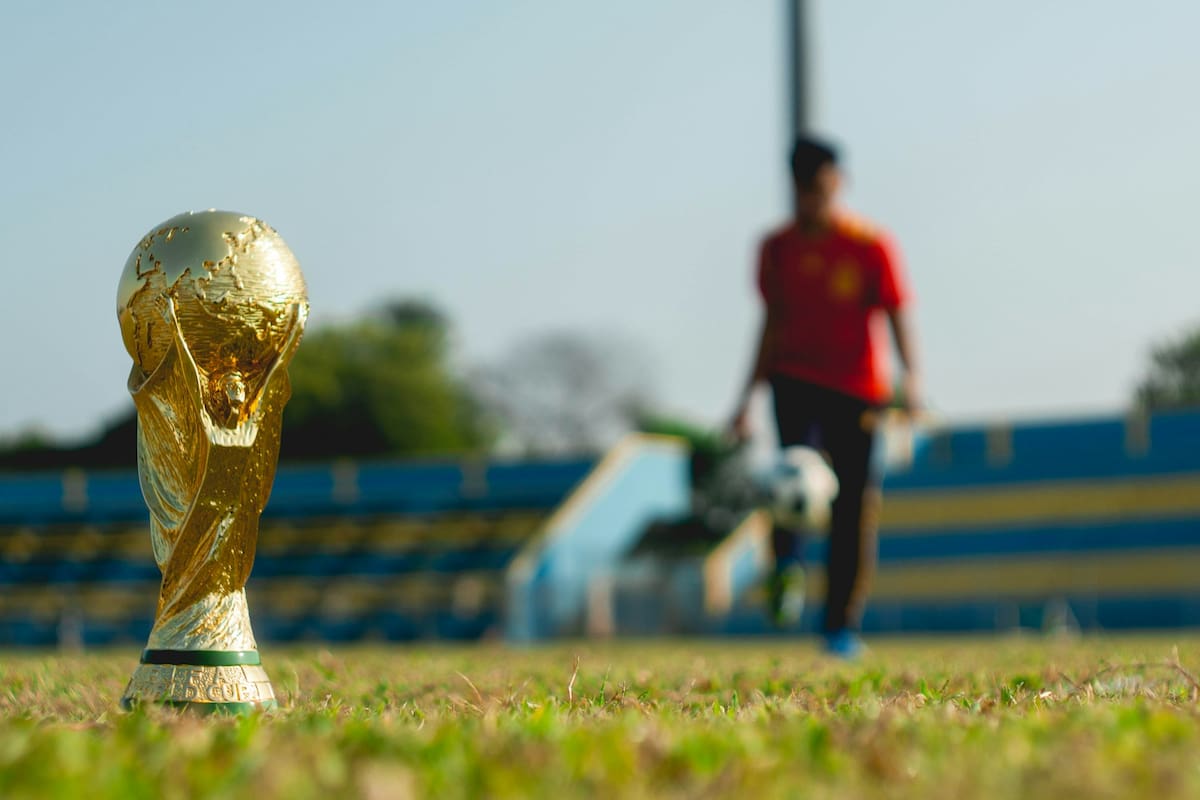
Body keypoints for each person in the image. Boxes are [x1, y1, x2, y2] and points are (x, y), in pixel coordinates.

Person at [729, 134, 921, 659]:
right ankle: (786, 566)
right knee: (792, 477)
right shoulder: (777, 249)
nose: (814, 197)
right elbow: (768, 323)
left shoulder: (869, 245)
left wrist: (913, 381)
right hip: (795, 383)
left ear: (839, 182)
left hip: (859, 393)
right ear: (792, 187)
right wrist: (744, 399)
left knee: (854, 510)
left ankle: (840, 626)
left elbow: (896, 311)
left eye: (822, 186)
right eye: (804, 188)